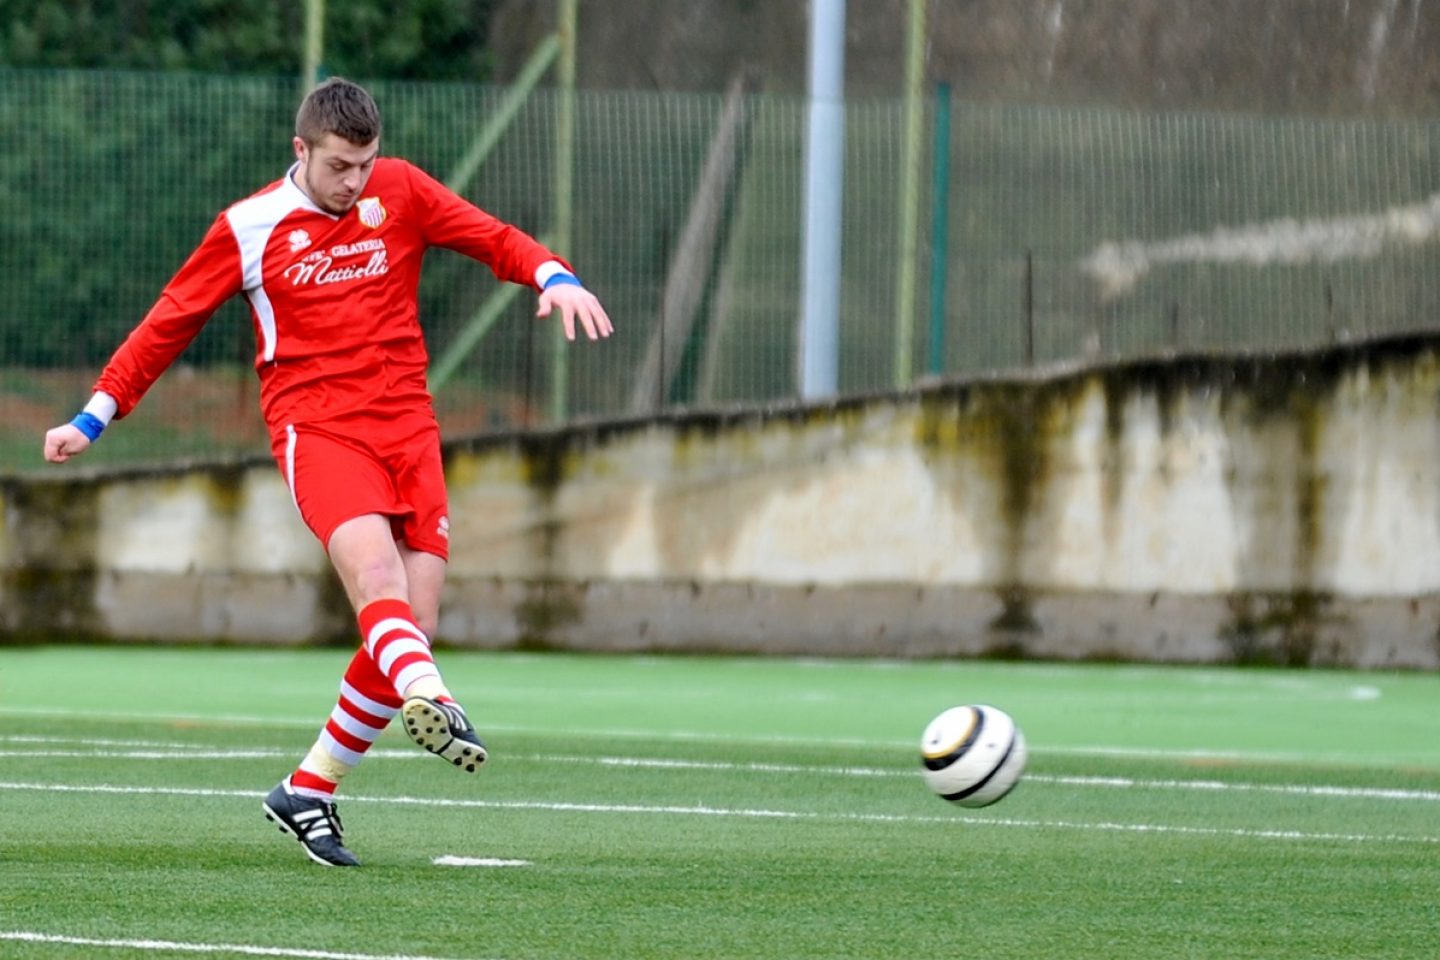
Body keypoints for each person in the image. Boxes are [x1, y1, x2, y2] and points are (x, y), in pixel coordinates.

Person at [42, 77, 613, 867]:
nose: (354, 182)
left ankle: (310, 786)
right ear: (301, 150)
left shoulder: (400, 190)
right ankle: (433, 697)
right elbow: (168, 323)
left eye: (364, 164)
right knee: (378, 581)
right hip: (317, 429)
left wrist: (554, 275)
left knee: (415, 619)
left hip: (409, 426)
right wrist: (93, 416)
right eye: (341, 166)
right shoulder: (248, 227)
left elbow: (494, 238)